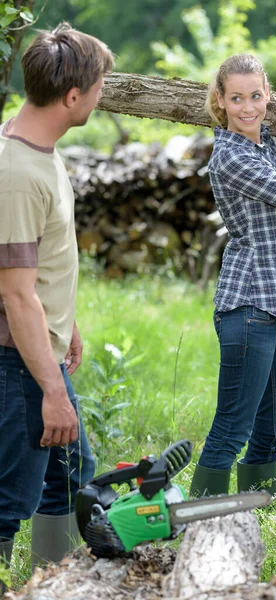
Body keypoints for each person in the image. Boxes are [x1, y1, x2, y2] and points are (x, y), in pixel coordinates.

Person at [0, 23, 114, 591]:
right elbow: (15, 293)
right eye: (98, 87)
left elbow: (39, 268)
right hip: (18, 361)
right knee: (8, 499)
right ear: (73, 97)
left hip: (40, 346)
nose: (101, 96)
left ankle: (53, 585)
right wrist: (49, 390)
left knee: (69, 478)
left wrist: (66, 324)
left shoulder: (35, 147)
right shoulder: (17, 172)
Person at [190, 54, 276, 498]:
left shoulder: (265, 144)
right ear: (221, 100)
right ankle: (199, 530)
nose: (248, 107)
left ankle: (255, 523)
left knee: (273, 433)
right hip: (249, 305)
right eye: (237, 98)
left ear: (267, 94)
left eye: (255, 95)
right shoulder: (231, 158)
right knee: (233, 430)